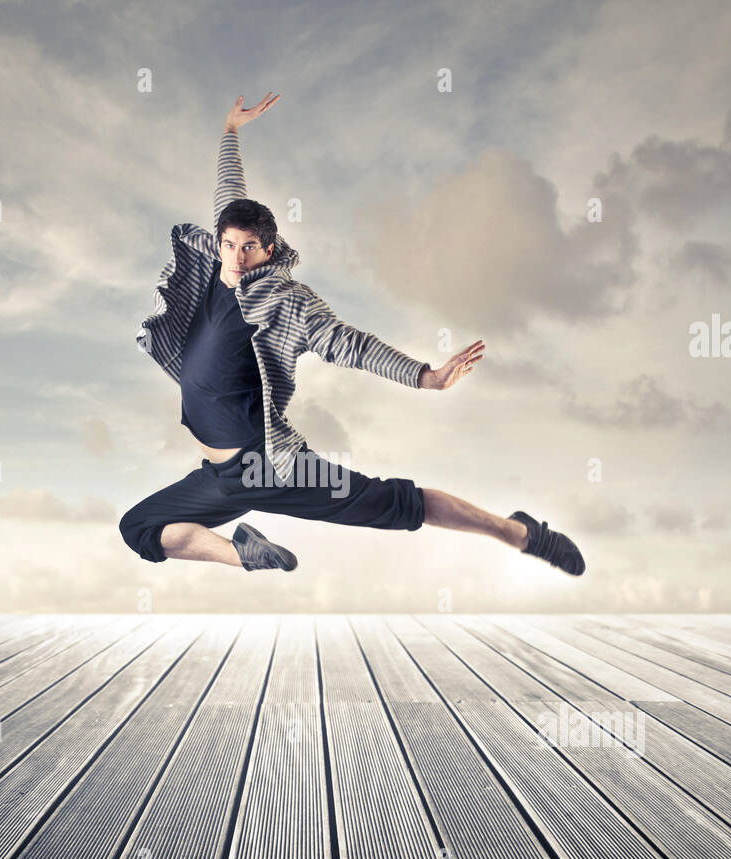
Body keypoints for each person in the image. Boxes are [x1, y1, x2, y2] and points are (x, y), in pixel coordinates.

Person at [120, 93, 585, 577]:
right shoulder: (220, 262)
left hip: (266, 467)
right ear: (220, 241)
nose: (236, 259)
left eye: (249, 248)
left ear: (268, 249)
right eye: (230, 245)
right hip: (218, 477)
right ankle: (246, 554)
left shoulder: (285, 300)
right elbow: (229, 188)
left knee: (398, 503)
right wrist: (230, 130)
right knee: (140, 527)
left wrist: (425, 377)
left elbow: (351, 344)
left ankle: (523, 534)